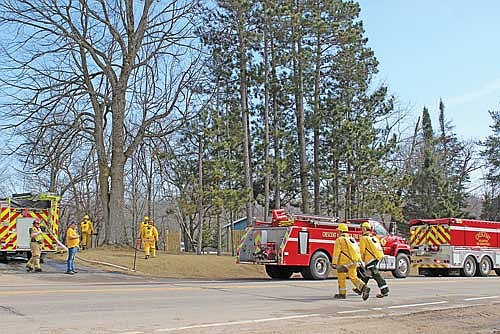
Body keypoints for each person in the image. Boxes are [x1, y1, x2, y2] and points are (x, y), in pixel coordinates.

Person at [332, 223, 370, 300]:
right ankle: (363, 287)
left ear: (341, 231)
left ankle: (342, 294)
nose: (337, 232)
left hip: (343, 263)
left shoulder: (339, 240)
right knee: (353, 277)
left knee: (341, 278)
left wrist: (334, 262)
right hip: (353, 261)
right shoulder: (351, 239)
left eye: (338, 231)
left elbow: (336, 252)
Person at [358, 221, 390, 298]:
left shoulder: (364, 238)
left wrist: (360, 260)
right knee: (367, 274)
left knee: (376, 274)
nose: (361, 230)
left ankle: (384, 290)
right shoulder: (373, 237)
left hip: (370, 259)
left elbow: (362, 250)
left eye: (362, 228)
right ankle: (359, 288)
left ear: (365, 229)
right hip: (377, 257)